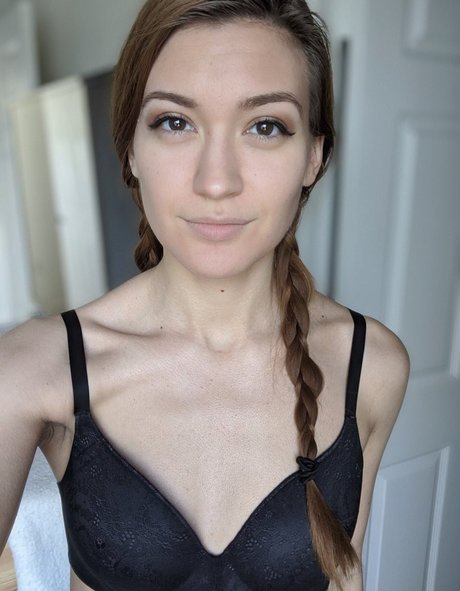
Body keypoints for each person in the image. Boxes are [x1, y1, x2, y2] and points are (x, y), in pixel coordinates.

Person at [0, 0, 410, 589]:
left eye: (265, 126)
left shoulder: (372, 365)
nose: (216, 181)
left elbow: (344, 576)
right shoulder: (34, 367)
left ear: (313, 157)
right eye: (175, 122)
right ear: (132, 150)